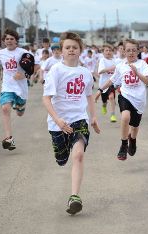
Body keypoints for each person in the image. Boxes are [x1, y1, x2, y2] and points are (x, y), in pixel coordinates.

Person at [43, 32, 100, 215]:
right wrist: (58, 120)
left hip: (79, 120)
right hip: (58, 123)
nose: (71, 50)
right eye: (67, 47)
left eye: (75, 47)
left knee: (78, 156)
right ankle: (61, 152)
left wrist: (93, 117)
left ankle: (74, 196)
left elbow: (89, 96)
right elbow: (46, 99)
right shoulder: (56, 71)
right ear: (62, 51)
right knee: (62, 160)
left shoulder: (85, 73)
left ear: (80, 50)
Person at [95, 38, 148, 161]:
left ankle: (132, 140)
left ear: (138, 51)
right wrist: (100, 90)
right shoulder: (120, 65)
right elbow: (112, 80)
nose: (131, 53)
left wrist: (137, 72)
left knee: (134, 127)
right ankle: (123, 145)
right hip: (125, 96)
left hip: (139, 100)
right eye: (128, 50)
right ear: (124, 52)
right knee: (125, 117)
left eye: (134, 50)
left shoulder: (142, 64)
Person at [0, 29, 36, 150]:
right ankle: (9, 138)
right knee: (5, 108)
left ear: (16, 40)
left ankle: (20, 106)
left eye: (12, 39)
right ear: (4, 41)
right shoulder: (1, 53)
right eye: (7, 39)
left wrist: (24, 76)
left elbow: (35, 67)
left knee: (20, 113)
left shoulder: (23, 53)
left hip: (21, 88)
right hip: (7, 86)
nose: (9, 41)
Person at [97, 44, 117, 122]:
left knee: (111, 97)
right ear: (103, 52)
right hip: (103, 85)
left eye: (110, 50)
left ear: (112, 52)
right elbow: (100, 71)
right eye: (106, 50)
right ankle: (104, 106)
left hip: (111, 83)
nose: (108, 52)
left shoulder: (114, 61)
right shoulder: (102, 60)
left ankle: (113, 115)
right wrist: (109, 68)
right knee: (104, 100)